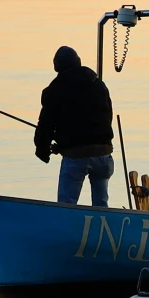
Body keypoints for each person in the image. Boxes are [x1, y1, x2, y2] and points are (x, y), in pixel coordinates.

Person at [34, 45, 115, 206]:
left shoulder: (54, 91)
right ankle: (102, 228)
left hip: (76, 156)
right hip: (104, 155)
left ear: (56, 66)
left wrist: (43, 150)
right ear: (78, 62)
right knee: (101, 205)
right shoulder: (99, 85)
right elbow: (107, 116)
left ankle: (68, 229)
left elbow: (46, 125)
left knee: (66, 205)